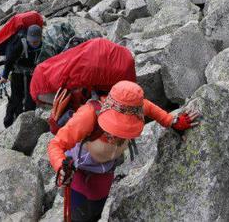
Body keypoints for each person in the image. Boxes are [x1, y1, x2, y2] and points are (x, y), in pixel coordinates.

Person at [49, 81, 200, 222]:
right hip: (80, 173)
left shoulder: (139, 108)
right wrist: (61, 167)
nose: (117, 135)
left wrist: (173, 122)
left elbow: (154, 111)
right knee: (79, 216)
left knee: (96, 210)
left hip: (106, 171)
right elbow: (56, 145)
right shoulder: (87, 115)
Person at [0, 24, 43, 127]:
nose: (33, 43)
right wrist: (4, 76)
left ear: (40, 38)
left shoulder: (44, 44)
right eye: (32, 41)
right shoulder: (20, 44)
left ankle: (28, 121)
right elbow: (9, 60)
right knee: (16, 98)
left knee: (31, 97)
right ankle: (9, 122)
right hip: (17, 74)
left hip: (32, 74)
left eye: (36, 41)